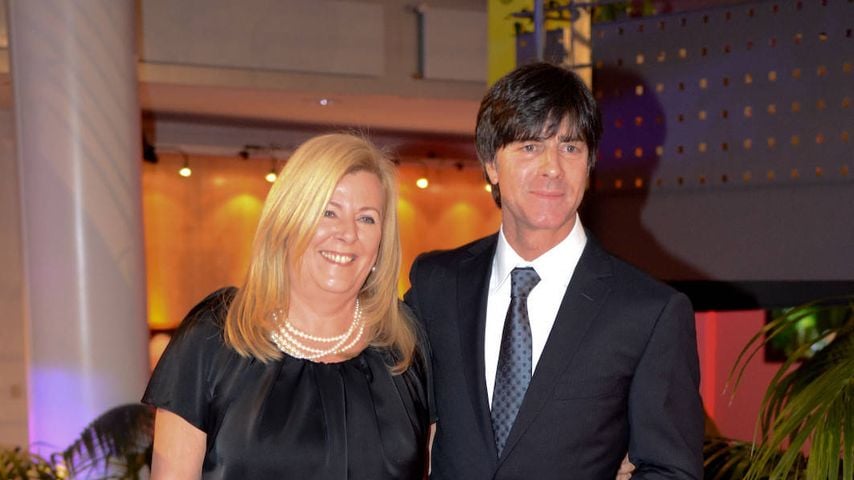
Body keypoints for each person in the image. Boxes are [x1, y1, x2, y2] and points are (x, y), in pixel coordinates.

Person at [405, 62, 704, 479]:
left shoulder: (649, 312)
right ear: (492, 163)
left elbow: (673, 471)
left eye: (570, 147)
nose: (552, 168)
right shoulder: (436, 285)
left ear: (589, 164)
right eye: (529, 146)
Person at [143, 133, 432, 479]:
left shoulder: (405, 346)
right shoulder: (216, 334)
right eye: (328, 212)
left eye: (367, 218)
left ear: (381, 244)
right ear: (287, 222)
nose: (347, 234)